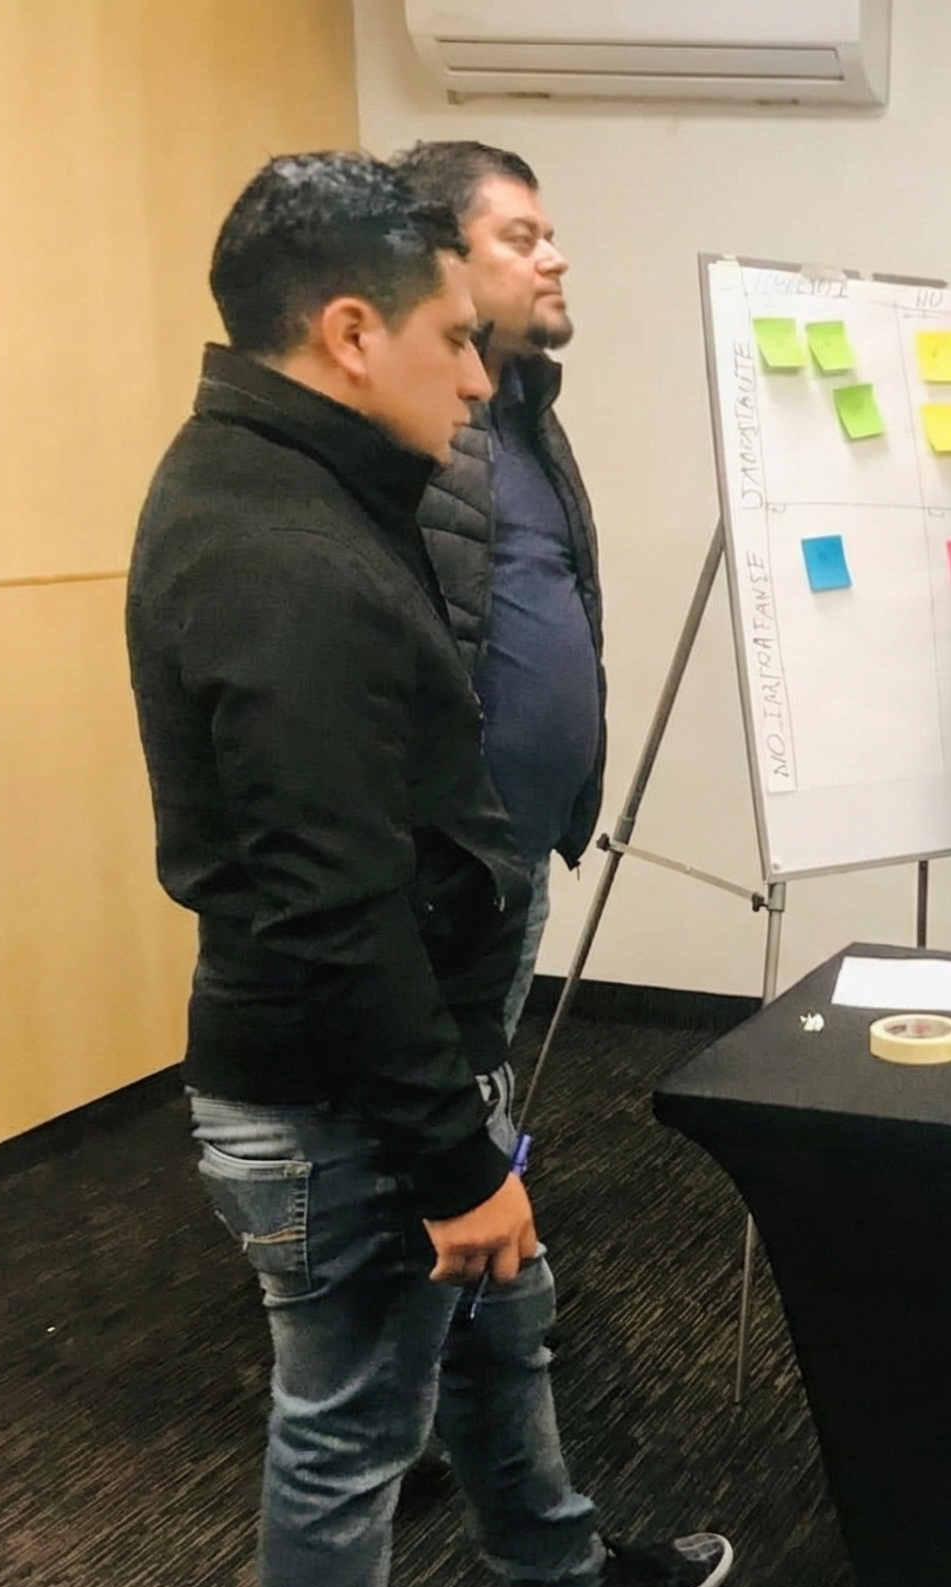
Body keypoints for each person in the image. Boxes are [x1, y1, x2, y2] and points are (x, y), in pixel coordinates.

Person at [126, 152, 731, 1587]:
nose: (477, 381)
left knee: (496, 1325)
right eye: (454, 340)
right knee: (348, 1432)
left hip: (396, 1065)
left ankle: (556, 1581)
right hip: (337, 1099)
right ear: (350, 334)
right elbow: (332, 909)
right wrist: (455, 1160)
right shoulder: (279, 554)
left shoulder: (305, 488)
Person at [392, 141, 606, 1044]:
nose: (554, 258)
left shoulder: (526, 408)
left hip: (520, 853)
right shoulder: (412, 423)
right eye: (521, 239)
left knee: (484, 1082)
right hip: (443, 873)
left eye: (548, 236)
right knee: (431, 1091)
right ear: (441, 258)